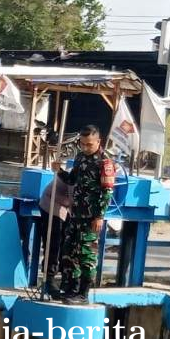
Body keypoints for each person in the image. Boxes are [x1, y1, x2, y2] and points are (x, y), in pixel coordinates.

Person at [59, 125, 115, 304]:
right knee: (70, 251)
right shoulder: (80, 157)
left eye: (89, 144)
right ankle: (70, 288)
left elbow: (107, 192)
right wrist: (59, 171)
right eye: (82, 144)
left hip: (91, 217)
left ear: (98, 141)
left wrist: (99, 216)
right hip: (76, 213)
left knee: (87, 255)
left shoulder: (104, 162)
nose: (85, 148)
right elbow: (72, 180)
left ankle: (83, 293)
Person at [39, 168, 75, 299]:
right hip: (51, 201)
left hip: (65, 206)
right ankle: (49, 278)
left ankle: (66, 277)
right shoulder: (77, 173)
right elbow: (74, 200)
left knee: (68, 241)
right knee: (54, 241)